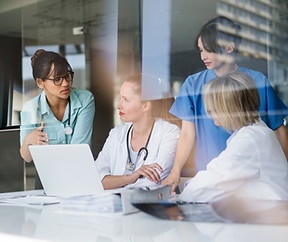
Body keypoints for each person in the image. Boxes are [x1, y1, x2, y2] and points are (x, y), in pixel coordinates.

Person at [162, 16, 288, 193]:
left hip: (250, 178)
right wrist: (175, 171)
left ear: (229, 47)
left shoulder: (257, 82)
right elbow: (187, 134)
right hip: (209, 177)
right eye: (200, 50)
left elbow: (278, 130)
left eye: (209, 50)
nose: (203, 56)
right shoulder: (193, 84)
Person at [178, 71, 288, 202]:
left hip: (270, 215)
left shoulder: (249, 139)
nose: (210, 114)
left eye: (213, 109)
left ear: (229, 109)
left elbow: (207, 185)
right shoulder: (256, 132)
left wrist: (187, 189)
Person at [20, 49, 95, 188]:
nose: (65, 83)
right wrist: (28, 141)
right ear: (40, 83)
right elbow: (27, 157)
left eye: (67, 76)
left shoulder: (85, 99)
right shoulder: (30, 108)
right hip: (46, 178)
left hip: (78, 174)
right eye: (57, 79)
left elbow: (78, 150)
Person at [95, 74, 180, 190]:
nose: (118, 105)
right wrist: (130, 177)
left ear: (145, 106)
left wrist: (113, 182)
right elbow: (96, 179)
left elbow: (154, 181)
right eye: (120, 98)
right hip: (113, 205)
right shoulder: (116, 134)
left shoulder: (169, 133)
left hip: (150, 205)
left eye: (126, 100)